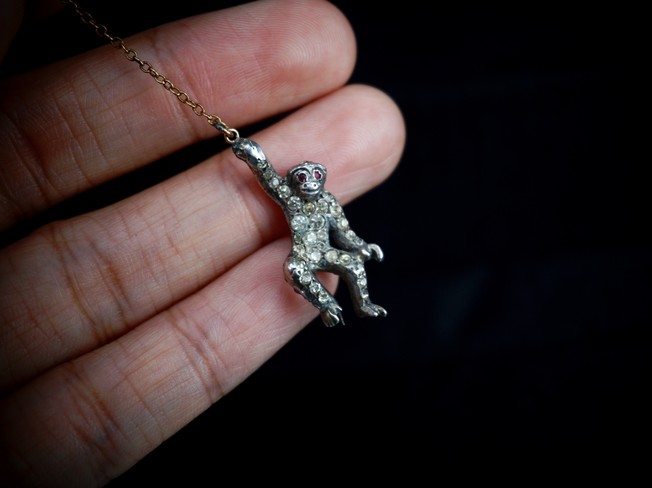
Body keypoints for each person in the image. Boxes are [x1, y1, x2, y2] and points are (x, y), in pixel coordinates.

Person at [0, 0, 405, 484]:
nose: (309, 180)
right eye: (302, 176)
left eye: (314, 175)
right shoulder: (290, 199)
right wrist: (252, 154)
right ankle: (327, 306)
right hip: (303, 253)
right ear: (295, 181)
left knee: (353, 269)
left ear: (322, 178)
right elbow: (266, 176)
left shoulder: (329, 202)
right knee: (295, 272)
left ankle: (363, 304)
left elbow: (347, 231)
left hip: (326, 247)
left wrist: (361, 249)